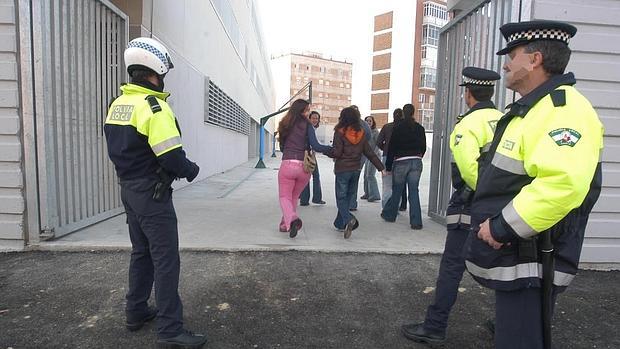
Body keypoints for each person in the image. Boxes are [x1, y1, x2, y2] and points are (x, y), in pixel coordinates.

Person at [463, 21, 603, 349]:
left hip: (532, 258)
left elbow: (562, 184)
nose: (506, 64)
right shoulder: (535, 109)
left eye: (512, 55)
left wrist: (500, 228)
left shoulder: (562, 110)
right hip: (520, 254)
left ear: (535, 59)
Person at [104, 37, 207, 348]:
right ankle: (170, 330)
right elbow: (171, 156)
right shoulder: (154, 107)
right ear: (155, 70)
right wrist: (191, 169)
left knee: (142, 253)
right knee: (165, 260)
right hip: (153, 193)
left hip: (129, 189)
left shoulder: (118, 104)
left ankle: (135, 311)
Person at [401, 67, 503, 345]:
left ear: (468, 94)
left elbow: (470, 170)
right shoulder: (506, 119)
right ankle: (507, 323)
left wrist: (485, 196)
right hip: (506, 207)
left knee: (452, 266)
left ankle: (435, 326)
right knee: (506, 266)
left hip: (470, 204)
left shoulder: (467, 125)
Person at [277, 99, 332, 238]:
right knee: (294, 197)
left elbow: (282, 146)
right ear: (301, 110)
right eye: (307, 110)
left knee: (284, 196)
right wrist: (332, 150)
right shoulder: (308, 126)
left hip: (288, 164)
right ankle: (285, 224)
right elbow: (316, 146)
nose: (308, 113)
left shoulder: (285, 124)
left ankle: (293, 219)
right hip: (304, 168)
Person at [332, 107, 386, 238]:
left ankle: (349, 218)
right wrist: (381, 167)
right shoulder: (361, 133)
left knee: (341, 197)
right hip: (355, 169)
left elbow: (337, 152)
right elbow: (369, 152)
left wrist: (327, 150)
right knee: (349, 196)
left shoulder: (339, 132)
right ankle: (340, 223)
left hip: (342, 169)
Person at [381, 104, 426, 229]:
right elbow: (423, 146)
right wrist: (418, 156)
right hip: (416, 161)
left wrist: (388, 166)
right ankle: (416, 222)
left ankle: (390, 215)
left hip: (401, 161)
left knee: (397, 190)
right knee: (414, 191)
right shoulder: (420, 128)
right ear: (413, 112)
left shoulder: (398, 128)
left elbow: (391, 148)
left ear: (403, 113)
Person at [377, 109, 408, 210]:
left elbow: (379, 142)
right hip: (400, 158)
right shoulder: (405, 128)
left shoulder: (387, 127)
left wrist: (385, 148)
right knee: (397, 185)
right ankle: (395, 207)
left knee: (387, 184)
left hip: (387, 156)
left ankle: (386, 207)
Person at [347, 105, 372, 212]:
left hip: (347, 156)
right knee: (355, 178)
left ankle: (346, 202)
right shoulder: (364, 124)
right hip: (360, 155)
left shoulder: (345, 123)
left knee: (345, 179)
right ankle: (352, 203)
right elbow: (369, 136)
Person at [299, 111, 326, 206]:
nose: (315, 120)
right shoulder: (307, 128)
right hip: (306, 155)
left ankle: (310, 199)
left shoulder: (311, 128)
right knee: (308, 176)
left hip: (310, 154)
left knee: (313, 176)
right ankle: (307, 199)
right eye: (313, 118)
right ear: (309, 118)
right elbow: (314, 144)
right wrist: (328, 149)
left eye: (317, 118)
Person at [360, 116, 381, 202]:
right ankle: (367, 193)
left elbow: (378, 144)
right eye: (367, 121)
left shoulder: (375, 132)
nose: (368, 122)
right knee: (366, 175)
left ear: (373, 122)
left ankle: (375, 195)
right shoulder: (364, 132)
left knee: (370, 175)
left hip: (374, 156)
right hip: (367, 156)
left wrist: (373, 155)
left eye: (370, 121)